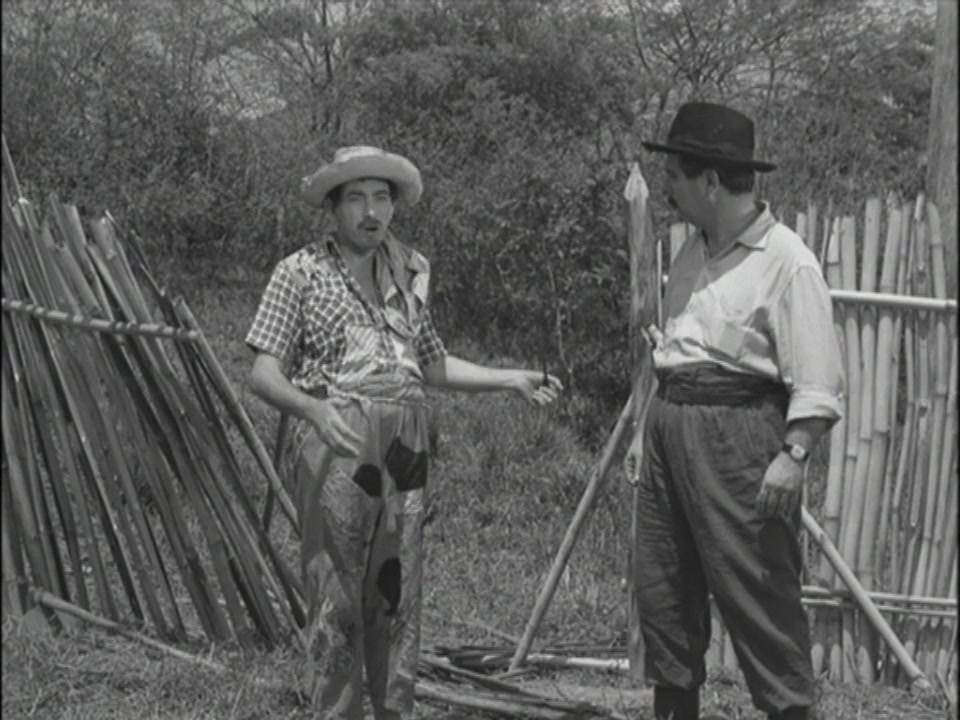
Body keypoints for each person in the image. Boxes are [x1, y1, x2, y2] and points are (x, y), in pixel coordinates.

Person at [245, 145, 562, 720]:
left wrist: (509, 378)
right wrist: (313, 411)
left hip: (406, 446)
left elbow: (431, 365)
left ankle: (395, 710)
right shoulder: (300, 272)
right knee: (336, 595)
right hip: (338, 438)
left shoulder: (411, 270)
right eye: (357, 199)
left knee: (397, 592)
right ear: (334, 207)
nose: (371, 212)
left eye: (381, 198)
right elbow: (263, 373)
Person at [622, 103, 844, 720]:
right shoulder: (691, 254)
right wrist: (645, 432)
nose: (668, 188)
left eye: (676, 176)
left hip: (739, 442)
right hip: (669, 433)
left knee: (760, 597)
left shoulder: (787, 261)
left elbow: (818, 381)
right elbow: (675, 355)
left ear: (712, 182)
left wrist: (793, 455)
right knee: (665, 596)